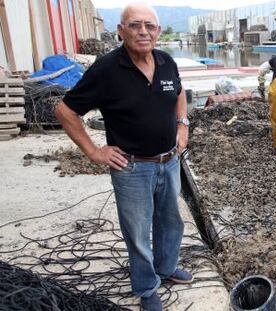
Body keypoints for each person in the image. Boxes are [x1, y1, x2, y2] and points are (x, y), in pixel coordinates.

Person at [55, 3, 192, 311]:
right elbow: (65, 111)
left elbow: (180, 93)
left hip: (169, 161)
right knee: (138, 232)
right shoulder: (107, 69)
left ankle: (166, 268)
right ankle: (146, 288)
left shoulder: (166, 61)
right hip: (132, 168)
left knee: (171, 222)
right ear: (121, 31)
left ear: (157, 31)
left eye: (149, 26)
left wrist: (182, 125)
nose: (143, 31)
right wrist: (93, 151)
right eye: (134, 25)